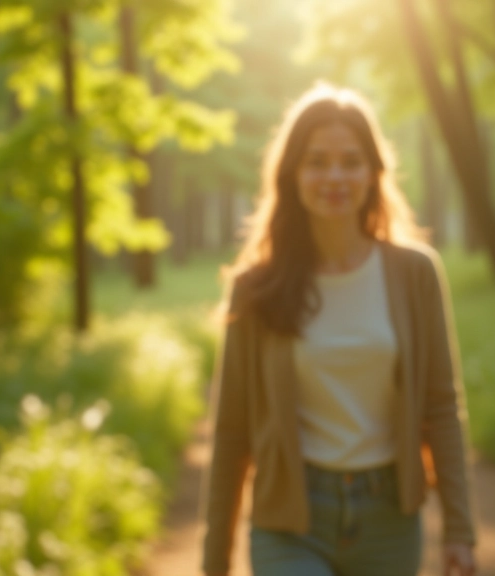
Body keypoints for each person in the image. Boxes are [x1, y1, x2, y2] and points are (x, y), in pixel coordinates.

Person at [200, 83, 477, 576]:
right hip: (290, 521)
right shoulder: (255, 288)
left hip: (389, 519)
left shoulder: (415, 274)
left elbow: (441, 406)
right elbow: (231, 430)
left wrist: (459, 530)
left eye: (351, 161)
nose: (335, 176)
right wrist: (214, 560)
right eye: (317, 161)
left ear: (373, 173)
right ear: (292, 173)